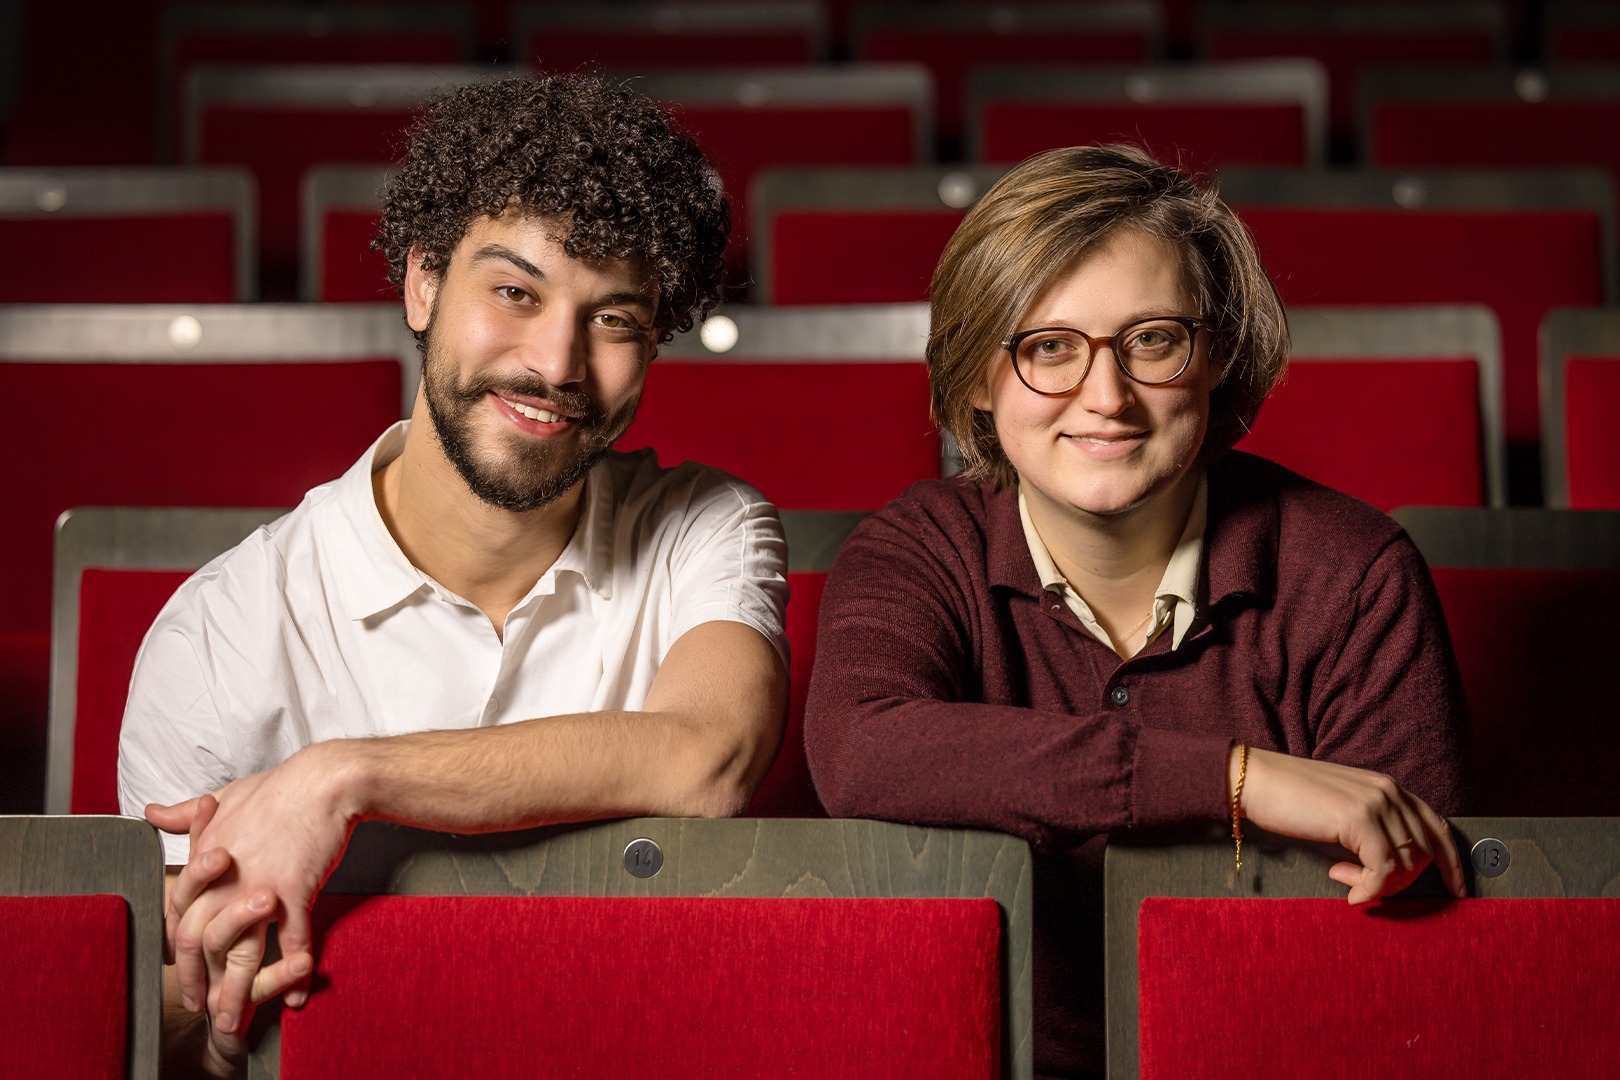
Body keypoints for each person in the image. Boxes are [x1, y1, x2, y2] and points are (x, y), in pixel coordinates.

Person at [118, 74, 788, 1078]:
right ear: (423, 281)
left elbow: (706, 759)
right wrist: (203, 983)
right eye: (515, 292)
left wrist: (344, 775)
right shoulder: (216, 634)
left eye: (613, 319)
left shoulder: (707, 526)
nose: (557, 364)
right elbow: (166, 1028)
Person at [802, 144, 1468, 1078]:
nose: (1106, 397)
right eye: (1049, 348)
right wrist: (1239, 779)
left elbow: (1391, 938)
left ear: (1215, 358)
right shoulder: (918, 551)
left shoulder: (1355, 573)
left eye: (1152, 339)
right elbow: (864, 749)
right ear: (980, 385)